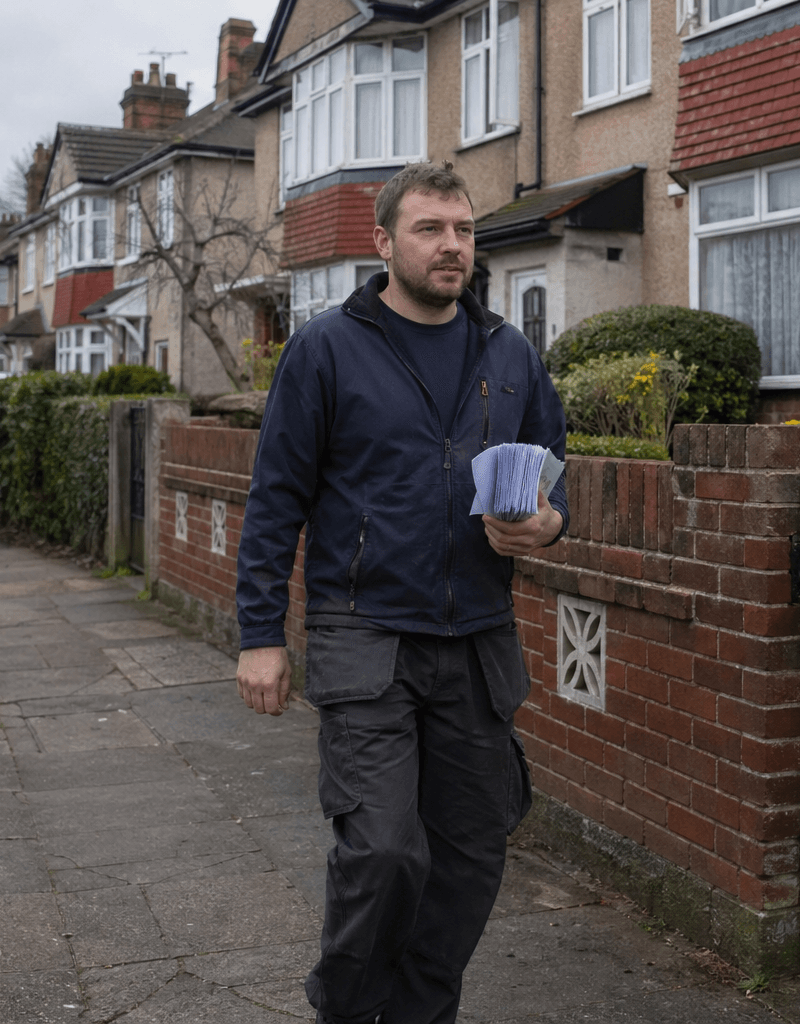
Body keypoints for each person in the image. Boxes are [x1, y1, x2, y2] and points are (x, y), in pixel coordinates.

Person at [234, 161, 569, 1024]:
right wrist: (260, 634)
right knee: (383, 851)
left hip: (479, 643)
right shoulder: (326, 349)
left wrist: (545, 528)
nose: (452, 245)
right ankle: (345, 1010)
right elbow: (276, 498)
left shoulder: (510, 353)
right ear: (384, 243)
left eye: (463, 228)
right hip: (365, 634)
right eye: (430, 229)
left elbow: (557, 484)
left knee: (470, 860)